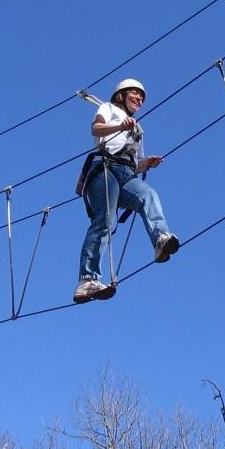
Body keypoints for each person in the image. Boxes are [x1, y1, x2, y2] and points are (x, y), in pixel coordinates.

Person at [75, 78, 179, 303]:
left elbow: (134, 161)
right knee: (104, 221)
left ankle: (160, 239)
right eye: (135, 93)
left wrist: (147, 163)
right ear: (121, 95)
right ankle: (87, 280)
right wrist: (120, 126)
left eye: (141, 97)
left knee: (148, 195)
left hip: (126, 173)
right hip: (105, 167)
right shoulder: (108, 108)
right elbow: (96, 129)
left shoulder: (137, 128)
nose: (139, 99)